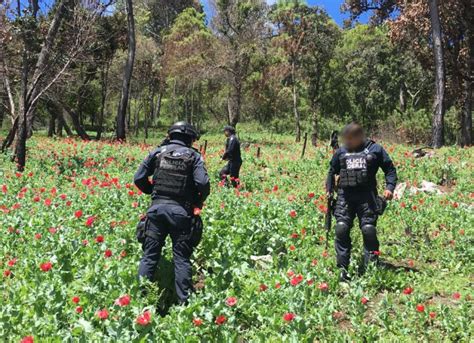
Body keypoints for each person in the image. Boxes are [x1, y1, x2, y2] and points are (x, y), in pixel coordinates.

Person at [134, 122, 210, 304]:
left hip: (157, 210)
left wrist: (152, 191)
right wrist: (197, 201)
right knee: (181, 258)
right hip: (181, 213)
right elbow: (203, 184)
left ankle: (139, 302)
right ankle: (184, 305)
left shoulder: (157, 152)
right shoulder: (194, 156)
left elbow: (138, 178)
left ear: (170, 135)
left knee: (150, 256)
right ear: (191, 139)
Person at [326, 123, 397, 282]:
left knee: (368, 230)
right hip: (345, 196)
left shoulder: (376, 150)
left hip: (368, 197)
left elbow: (390, 170)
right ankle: (342, 270)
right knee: (341, 229)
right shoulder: (342, 151)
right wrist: (329, 190)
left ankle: (371, 268)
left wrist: (390, 188)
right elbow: (332, 170)